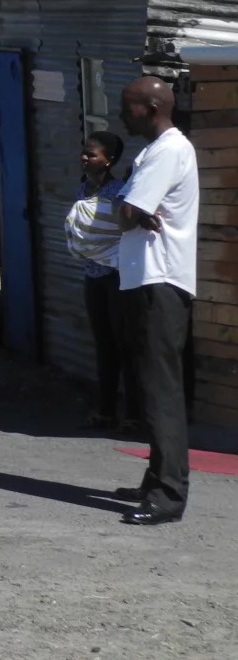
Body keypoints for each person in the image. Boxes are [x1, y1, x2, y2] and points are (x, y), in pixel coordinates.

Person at [113, 76, 199, 526]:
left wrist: (129, 207)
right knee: (150, 387)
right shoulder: (156, 151)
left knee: (161, 390)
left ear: (150, 107)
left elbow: (124, 213)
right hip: (146, 280)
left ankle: (169, 494)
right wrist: (128, 208)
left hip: (159, 283)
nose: (121, 115)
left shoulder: (166, 151)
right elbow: (126, 211)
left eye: (127, 107)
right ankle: (156, 479)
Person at [69, 130, 140, 432]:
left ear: (108, 160)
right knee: (104, 345)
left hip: (116, 276)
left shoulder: (118, 192)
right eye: (84, 152)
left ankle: (134, 414)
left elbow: (122, 231)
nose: (85, 158)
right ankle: (107, 410)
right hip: (93, 275)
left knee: (125, 345)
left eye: (92, 154)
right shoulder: (83, 189)